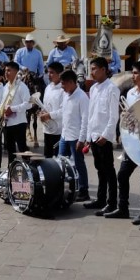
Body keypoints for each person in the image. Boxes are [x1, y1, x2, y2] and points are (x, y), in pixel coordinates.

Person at [105, 61, 140, 221]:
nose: (132, 77)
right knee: (122, 174)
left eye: (135, 73)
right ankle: (123, 208)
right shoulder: (131, 93)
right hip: (133, 141)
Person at [84, 57, 120, 215]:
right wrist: (88, 134)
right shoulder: (93, 88)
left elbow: (114, 116)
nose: (91, 72)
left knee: (109, 170)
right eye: (91, 69)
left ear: (104, 69)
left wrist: (106, 134)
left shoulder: (112, 88)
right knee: (99, 169)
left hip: (104, 136)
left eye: (94, 69)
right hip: (93, 134)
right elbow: (91, 113)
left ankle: (112, 202)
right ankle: (100, 199)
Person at [58, 69, 90, 202]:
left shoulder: (82, 97)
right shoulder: (66, 95)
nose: (62, 86)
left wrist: (81, 139)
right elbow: (62, 111)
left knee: (78, 164)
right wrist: (49, 115)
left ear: (71, 82)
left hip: (76, 137)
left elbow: (85, 120)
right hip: (65, 135)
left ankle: (84, 190)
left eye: (63, 84)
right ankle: (63, 186)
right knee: (61, 162)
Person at [0, 61, 31, 163]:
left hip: (19, 123)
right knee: (10, 149)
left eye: (9, 70)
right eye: (5, 70)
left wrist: (12, 109)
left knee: (22, 148)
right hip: (7, 123)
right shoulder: (5, 87)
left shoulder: (22, 86)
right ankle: (11, 170)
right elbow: (3, 105)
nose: (6, 73)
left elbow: (28, 104)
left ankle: (28, 170)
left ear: (16, 72)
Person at [39, 61, 65, 157]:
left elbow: (64, 111)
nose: (49, 75)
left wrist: (49, 115)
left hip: (59, 129)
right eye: (48, 72)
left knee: (58, 159)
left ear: (60, 74)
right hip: (47, 128)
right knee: (47, 158)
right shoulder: (48, 88)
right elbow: (46, 106)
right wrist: (42, 112)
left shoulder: (64, 89)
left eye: (52, 72)